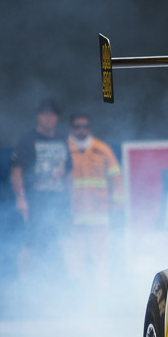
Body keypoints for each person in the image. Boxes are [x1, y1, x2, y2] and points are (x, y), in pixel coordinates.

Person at [10, 98, 71, 279]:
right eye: (45, 114)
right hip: (36, 199)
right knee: (31, 240)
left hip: (59, 200)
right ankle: (24, 280)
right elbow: (16, 172)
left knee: (61, 238)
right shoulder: (27, 141)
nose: (48, 118)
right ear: (38, 116)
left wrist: (71, 198)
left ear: (57, 118)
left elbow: (69, 172)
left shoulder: (62, 140)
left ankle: (59, 278)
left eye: (52, 114)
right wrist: (20, 198)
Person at [66, 113, 123, 282]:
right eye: (77, 126)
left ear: (90, 128)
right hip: (73, 214)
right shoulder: (64, 149)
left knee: (101, 255)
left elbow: (116, 178)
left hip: (99, 214)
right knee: (75, 256)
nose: (81, 130)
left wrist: (116, 204)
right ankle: (79, 287)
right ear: (71, 128)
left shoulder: (102, 149)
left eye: (85, 126)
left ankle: (101, 288)